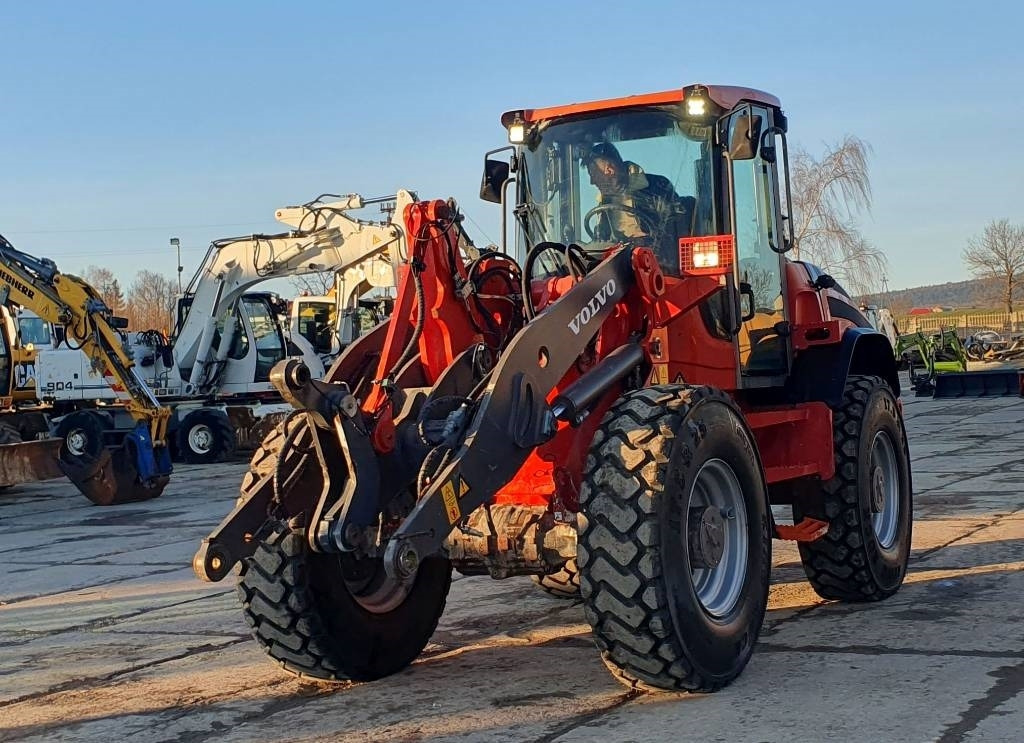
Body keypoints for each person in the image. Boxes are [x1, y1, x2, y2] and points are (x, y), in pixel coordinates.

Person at [583, 142, 694, 255]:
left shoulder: (658, 187)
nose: (592, 182)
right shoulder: (603, 202)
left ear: (610, 170)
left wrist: (645, 242)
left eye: (593, 175)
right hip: (618, 263)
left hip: (656, 262)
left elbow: (675, 229)